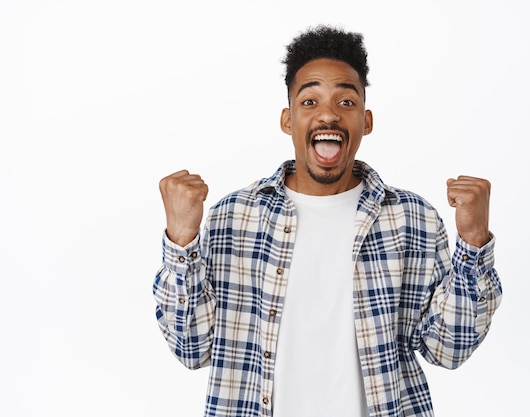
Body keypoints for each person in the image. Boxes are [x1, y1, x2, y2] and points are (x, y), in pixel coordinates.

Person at [153, 25, 502, 417]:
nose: (328, 114)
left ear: (366, 121)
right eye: (310, 101)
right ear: (288, 120)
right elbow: (192, 348)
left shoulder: (412, 220)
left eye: (346, 102)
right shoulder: (234, 218)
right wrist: (181, 242)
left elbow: (448, 350)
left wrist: (473, 243)